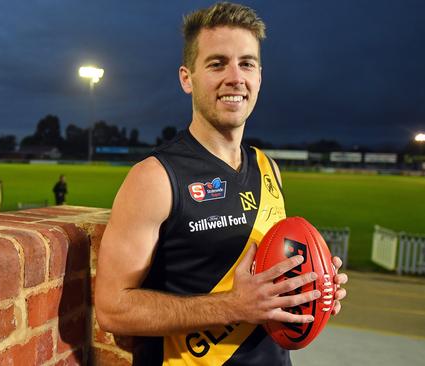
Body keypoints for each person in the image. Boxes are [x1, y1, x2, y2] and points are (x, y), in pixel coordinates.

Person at [94, 2, 348, 365]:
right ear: (187, 78)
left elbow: (266, 275)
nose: (235, 77)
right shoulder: (154, 178)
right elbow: (113, 309)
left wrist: (312, 288)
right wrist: (233, 306)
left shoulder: (268, 168)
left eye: (247, 63)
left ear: (259, 76)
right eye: (217, 63)